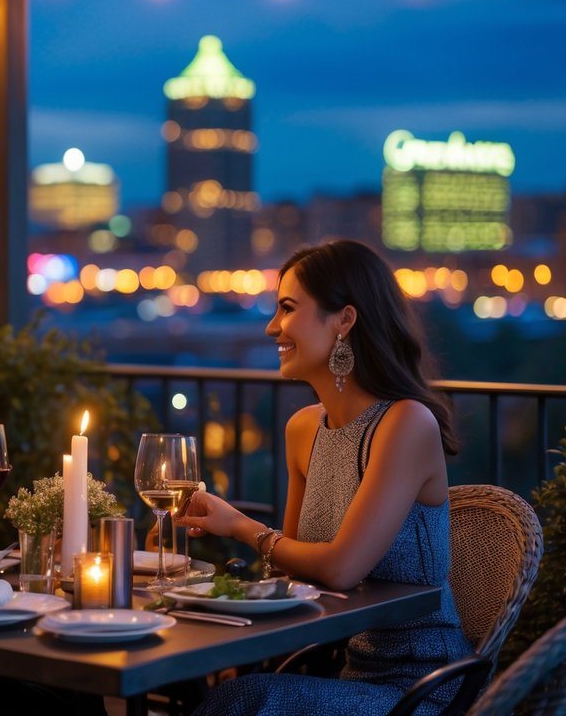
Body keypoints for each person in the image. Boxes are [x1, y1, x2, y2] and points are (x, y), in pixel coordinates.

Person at [178, 239, 471, 716]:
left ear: (345, 321)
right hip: (345, 672)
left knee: (246, 700)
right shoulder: (303, 430)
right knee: (226, 693)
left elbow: (340, 568)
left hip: (422, 687)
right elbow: (293, 573)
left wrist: (239, 526)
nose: (272, 327)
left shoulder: (407, 423)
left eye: (288, 309)